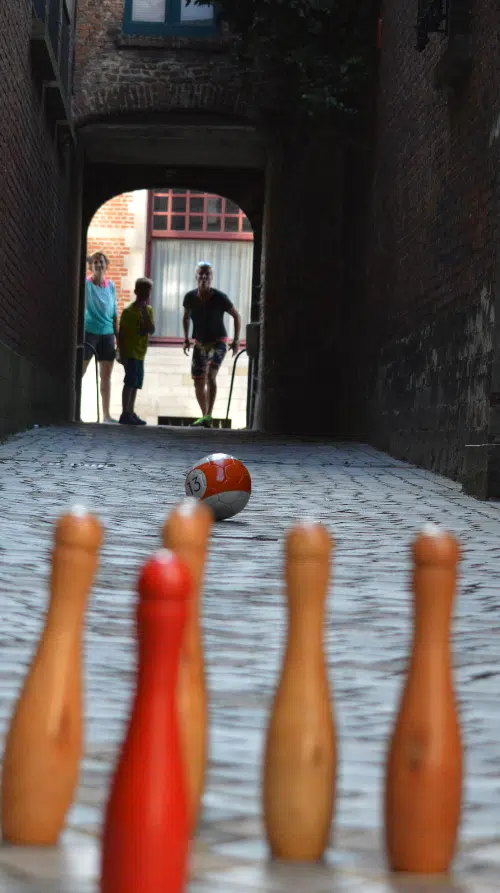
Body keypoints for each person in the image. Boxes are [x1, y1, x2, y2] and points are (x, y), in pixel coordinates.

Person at [182, 262, 241, 428]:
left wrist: (236, 340)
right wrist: (186, 339)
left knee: (210, 375)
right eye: (201, 273)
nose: (204, 276)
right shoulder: (189, 297)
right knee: (198, 381)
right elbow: (186, 317)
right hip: (199, 343)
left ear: (212, 277)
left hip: (218, 342)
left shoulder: (220, 297)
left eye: (207, 274)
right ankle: (205, 416)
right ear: (196, 276)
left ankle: (208, 415)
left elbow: (236, 316)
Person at [83, 252, 119, 423]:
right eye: (95, 262)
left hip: (107, 334)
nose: (98, 264)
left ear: (106, 265)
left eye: (101, 262)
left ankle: (106, 415)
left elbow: (114, 312)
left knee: (106, 376)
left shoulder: (111, 286)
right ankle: (74, 411)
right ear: (91, 266)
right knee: (80, 372)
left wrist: (117, 336)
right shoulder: (86, 284)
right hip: (89, 332)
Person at [118, 277, 156, 426]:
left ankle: (130, 411)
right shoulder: (128, 312)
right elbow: (121, 334)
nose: (146, 294)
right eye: (143, 291)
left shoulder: (149, 310)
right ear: (136, 292)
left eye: (148, 291)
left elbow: (151, 329)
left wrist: (145, 313)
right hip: (130, 352)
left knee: (136, 383)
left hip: (141, 353)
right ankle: (125, 412)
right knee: (129, 382)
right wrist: (122, 354)